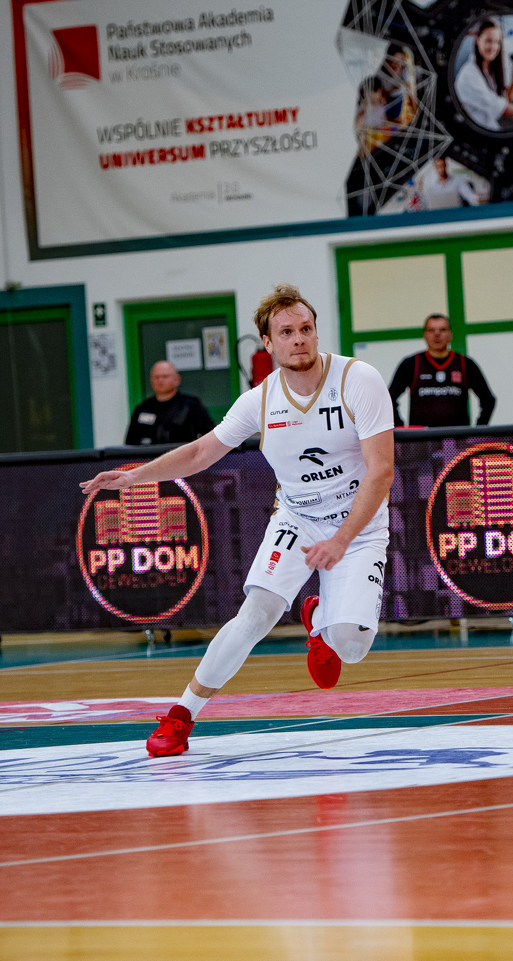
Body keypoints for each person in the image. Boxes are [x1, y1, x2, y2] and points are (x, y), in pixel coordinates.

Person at [81, 285, 395, 758]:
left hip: (359, 525)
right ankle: (181, 715)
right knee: (255, 614)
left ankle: (318, 621)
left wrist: (341, 540)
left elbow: (382, 471)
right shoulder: (260, 400)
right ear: (268, 343)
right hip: (299, 518)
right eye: (286, 332)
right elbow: (200, 452)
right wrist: (134, 477)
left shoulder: (358, 379)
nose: (298, 339)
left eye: (305, 328)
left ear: (316, 331)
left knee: (351, 648)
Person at [388, 314, 495, 427]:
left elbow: (488, 400)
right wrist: (401, 428)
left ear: (450, 334)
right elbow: (388, 399)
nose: (437, 334)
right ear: (424, 335)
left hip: (457, 436)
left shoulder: (465, 364)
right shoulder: (411, 364)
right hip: (422, 437)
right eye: (431, 330)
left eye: (443, 330)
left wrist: (478, 432)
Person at [454, 19, 513, 132]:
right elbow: (501, 109)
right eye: (488, 41)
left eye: (497, 42)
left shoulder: (488, 71)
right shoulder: (469, 75)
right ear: (477, 40)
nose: (493, 47)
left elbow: (504, 102)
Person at [124, 361, 215, 446]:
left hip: (183, 456)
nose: (160, 380)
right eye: (156, 377)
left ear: (177, 379)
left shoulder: (191, 406)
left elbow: (210, 436)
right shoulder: (142, 409)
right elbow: (130, 444)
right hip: (151, 456)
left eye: (165, 376)